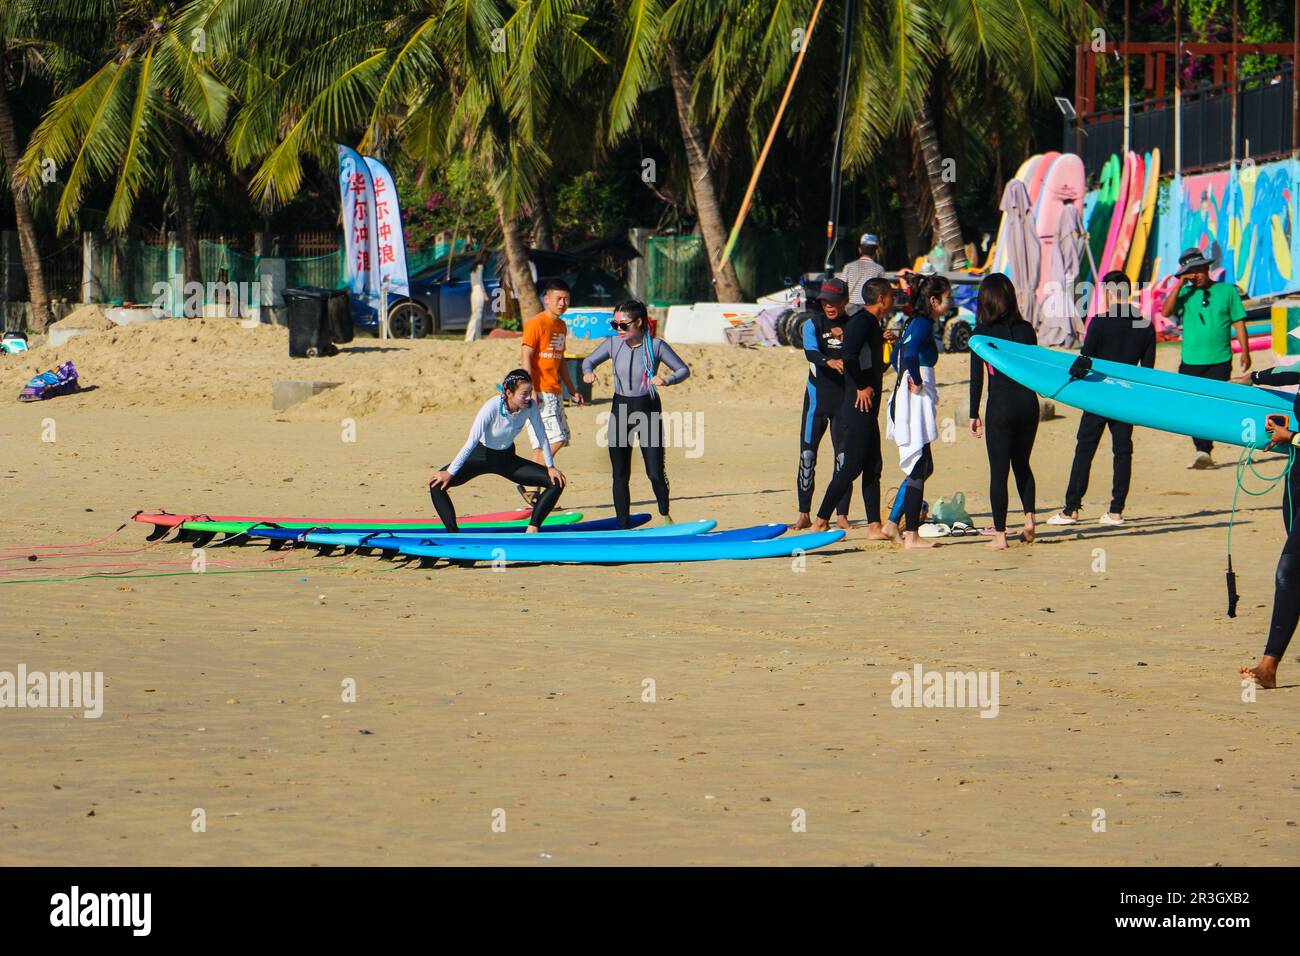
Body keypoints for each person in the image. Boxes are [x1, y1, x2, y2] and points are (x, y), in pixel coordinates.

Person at [1048, 271, 1156, 528]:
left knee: (1084, 450)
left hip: (1098, 395)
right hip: (1126, 397)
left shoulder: (1098, 322)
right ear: (1128, 292)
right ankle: (1116, 511)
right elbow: (1147, 371)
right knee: (1122, 451)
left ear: (1108, 292)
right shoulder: (1145, 325)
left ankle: (1071, 509)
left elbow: (1085, 360)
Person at [582, 300, 691, 528]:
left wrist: (667, 380)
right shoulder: (613, 344)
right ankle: (623, 524)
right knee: (620, 473)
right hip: (620, 408)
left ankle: (664, 513)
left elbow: (683, 370)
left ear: (639, 322)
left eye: (623, 325)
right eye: (615, 324)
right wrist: (588, 373)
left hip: (647, 409)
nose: (618, 329)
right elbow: (588, 361)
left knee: (654, 472)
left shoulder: (656, 346)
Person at [428, 369, 566, 532]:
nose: (529, 397)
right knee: (436, 485)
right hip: (481, 456)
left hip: (507, 460)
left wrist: (550, 467)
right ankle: (454, 534)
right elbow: (471, 441)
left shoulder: (530, 406)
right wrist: (450, 472)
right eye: (524, 393)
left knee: (556, 482)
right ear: (508, 392)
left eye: (530, 392)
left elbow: (542, 436)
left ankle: (533, 528)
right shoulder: (491, 407)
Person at [810, 277, 893, 539]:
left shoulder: (871, 324)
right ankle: (821, 520)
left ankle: (874, 526)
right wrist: (860, 386)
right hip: (857, 405)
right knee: (852, 466)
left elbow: (871, 360)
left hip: (867, 406)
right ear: (881, 298)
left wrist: (887, 342)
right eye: (890, 295)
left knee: (873, 465)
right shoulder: (862, 321)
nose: (892, 300)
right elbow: (849, 355)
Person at [1233, 364, 1300, 688]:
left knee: (1288, 571)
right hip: (1297, 481)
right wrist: (1251, 379)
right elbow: (1288, 371)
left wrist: (1294, 437)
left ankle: (1269, 665)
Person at [1161, 247, 1249, 468]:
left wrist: (1246, 351)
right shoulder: (1185, 293)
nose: (1196, 276)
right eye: (1190, 272)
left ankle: (1205, 447)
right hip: (1191, 360)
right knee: (1192, 406)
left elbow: (1238, 321)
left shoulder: (1227, 291)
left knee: (1214, 404)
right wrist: (1180, 283)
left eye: (1198, 271)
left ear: (1207, 268)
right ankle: (1202, 449)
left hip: (1219, 359)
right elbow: (1165, 312)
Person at [968, 273, 1038, 549]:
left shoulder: (980, 335)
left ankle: (999, 536)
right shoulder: (1026, 329)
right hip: (1028, 406)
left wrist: (973, 413)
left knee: (999, 472)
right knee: (1022, 464)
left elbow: (977, 377)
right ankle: (1030, 520)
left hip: (1000, 408)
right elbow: (1036, 369)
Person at [883, 273, 947, 548]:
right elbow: (907, 355)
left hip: (909, 396)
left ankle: (892, 524)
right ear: (933, 301)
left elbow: (898, 350)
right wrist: (917, 382)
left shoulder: (916, 322)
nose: (950, 303)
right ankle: (911, 535)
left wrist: (906, 379)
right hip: (913, 400)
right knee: (919, 465)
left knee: (923, 464)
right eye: (947, 299)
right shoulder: (921, 324)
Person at [792, 277, 854, 530]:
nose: (829, 306)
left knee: (843, 460)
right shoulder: (812, 324)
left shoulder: (853, 324)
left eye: (834, 301)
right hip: (817, 401)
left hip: (844, 401)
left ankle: (841, 515)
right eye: (825, 301)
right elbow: (811, 352)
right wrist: (829, 362)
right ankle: (804, 513)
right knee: (807, 457)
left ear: (845, 301)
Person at [520, 279, 583, 503]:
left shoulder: (561, 326)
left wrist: (573, 389)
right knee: (555, 439)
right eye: (558, 299)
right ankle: (529, 483)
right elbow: (526, 355)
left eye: (566, 299)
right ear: (546, 299)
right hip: (539, 391)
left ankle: (532, 489)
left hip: (555, 392)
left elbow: (561, 361)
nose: (563, 303)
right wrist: (529, 388)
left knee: (557, 439)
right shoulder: (536, 323)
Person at [841, 233, 885, 308]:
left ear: (860, 250)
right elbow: (883, 290)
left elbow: (841, 287)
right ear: (876, 251)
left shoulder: (848, 267)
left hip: (850, 308)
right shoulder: (879, 269)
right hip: (869, 308)